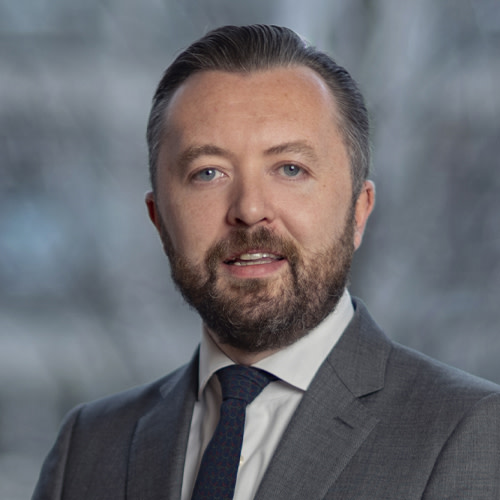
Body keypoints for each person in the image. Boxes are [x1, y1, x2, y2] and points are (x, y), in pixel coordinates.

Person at [33, 24, 500, 500]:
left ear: (359, 211)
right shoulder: (87, 447)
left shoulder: (471, 432)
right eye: (208, 172)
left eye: (290, 168)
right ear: (159, 220)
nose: (250, 209)